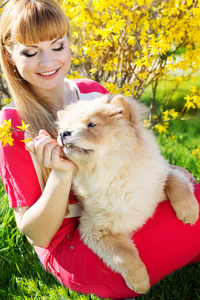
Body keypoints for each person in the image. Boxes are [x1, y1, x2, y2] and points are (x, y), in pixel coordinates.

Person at [0, 0, 200, 299]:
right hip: (73, 239)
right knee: (120, 275)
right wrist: (60, 174)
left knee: (190, 196)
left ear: (69, 43)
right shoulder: (11, 124)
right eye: (30, 52)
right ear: (10, 56)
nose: (47, 62)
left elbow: (133, 154)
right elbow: (37, 234)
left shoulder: (92, 92)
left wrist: (169, 175)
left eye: (57, 46)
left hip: (124, 207)